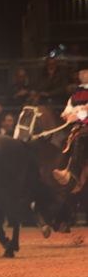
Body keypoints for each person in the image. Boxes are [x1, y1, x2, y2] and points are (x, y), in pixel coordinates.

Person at [53, 61, 88, 191]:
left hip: (86, 123)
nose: (81, 75)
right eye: (80, 73)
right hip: (78, 122)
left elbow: (86, 109)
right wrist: (67, 112)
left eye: (84, 72)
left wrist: (77, 115)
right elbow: (70, 104)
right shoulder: (78, 90)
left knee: (80, 137)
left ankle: (73, 173)